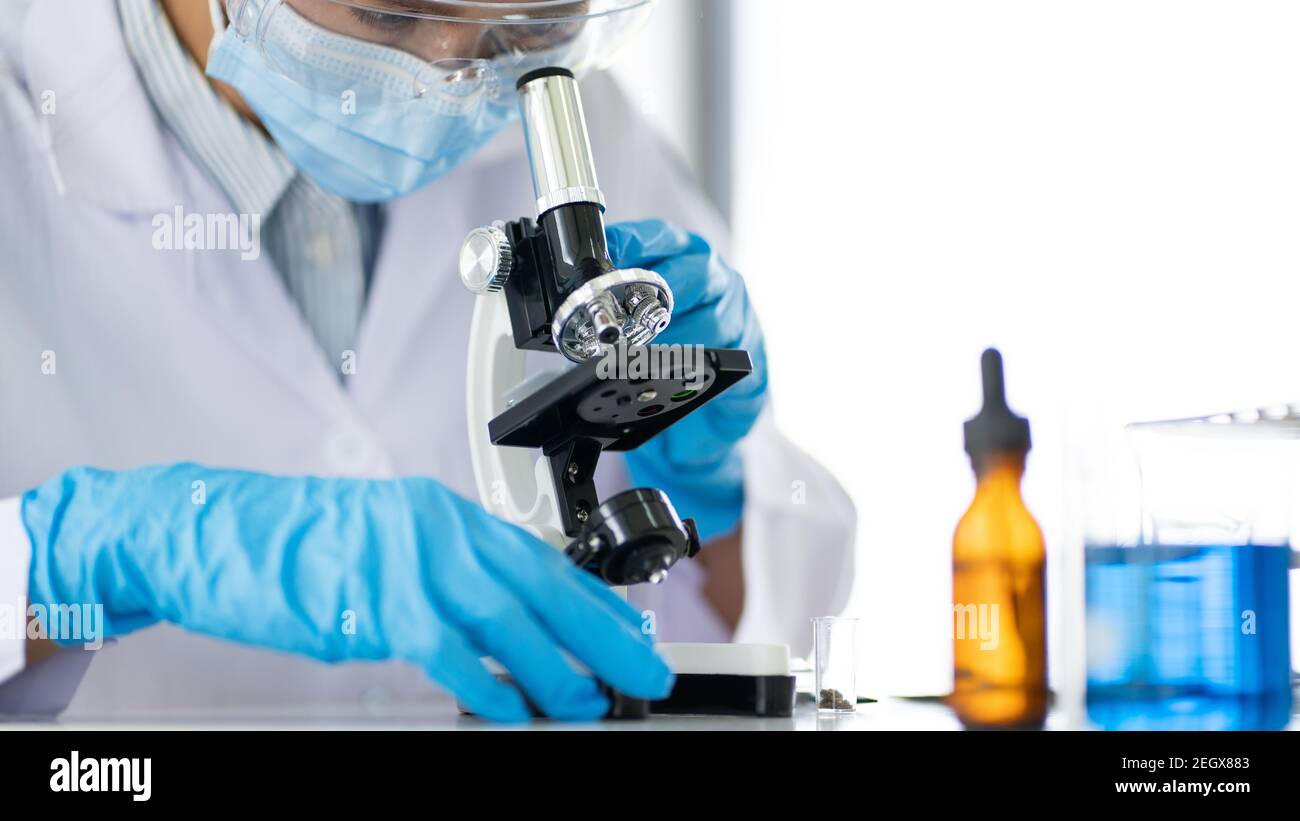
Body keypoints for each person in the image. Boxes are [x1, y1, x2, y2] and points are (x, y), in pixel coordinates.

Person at [0, 0, 856, 721]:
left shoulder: (579, 125)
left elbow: (753, 630)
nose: (453, 75)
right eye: (387, 7)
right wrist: (69, 557)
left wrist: (716, 486)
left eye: (534, 20)